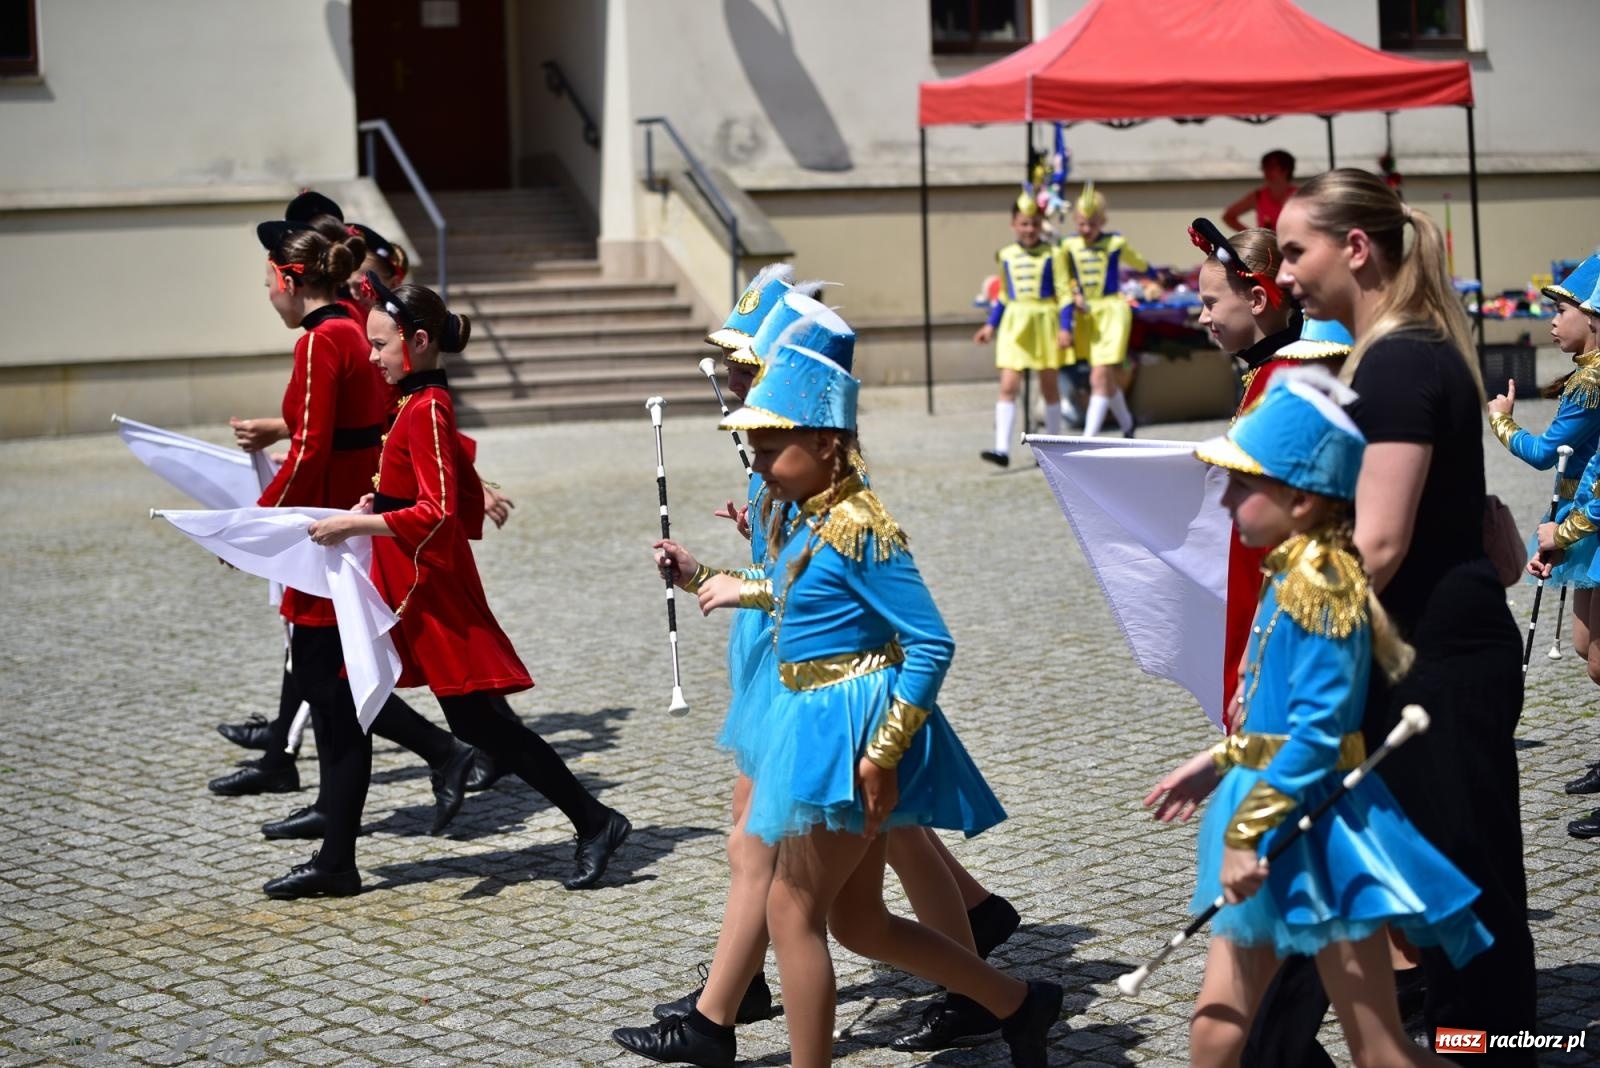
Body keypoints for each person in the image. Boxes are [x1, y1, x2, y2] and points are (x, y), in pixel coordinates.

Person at [616, 288, 1021, 1067]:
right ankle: (1005, 996)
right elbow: (799, 590)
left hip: (846, 716)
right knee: (856, 918)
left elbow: (930, 641)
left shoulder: (856, 520)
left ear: (821, 440)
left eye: (771, 447)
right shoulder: (804, 503)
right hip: (814, 702)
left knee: (794, 898)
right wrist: (711, 572)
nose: (759, 462)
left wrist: (883, 748)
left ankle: (726, 1017)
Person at [1255, 167, 1535, 1062]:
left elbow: (1377, 547)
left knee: (1468, 901)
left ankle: (1500, 1048)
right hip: (1423, 653)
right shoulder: (1392, 355)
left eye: (1295, 251)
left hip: (1439, 664)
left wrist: (1288, 640)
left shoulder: (1402, 361)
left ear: (1357, 249)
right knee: (1420, 886)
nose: (1285, 273)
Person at [1149, 369, 1491, 1068]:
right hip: (1266, 804)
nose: (1226, 502)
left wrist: (1248, 832)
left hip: (1315, 828)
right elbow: (1275, 716)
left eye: (1243, 486)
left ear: (1300, 499)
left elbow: (1319, 734)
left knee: (1378, 1051)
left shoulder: (1325, 586)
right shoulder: (1288, 570)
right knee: (1215, 1031)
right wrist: (1217, 764)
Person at [289, 276, 631, 899]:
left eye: (380, 345)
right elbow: (429, 494)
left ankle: (596, 820)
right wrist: (378, 499)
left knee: (480, 725)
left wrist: (354, 522)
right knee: (415, 712)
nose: (371, 357)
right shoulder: (412, 404)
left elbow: (440, 513)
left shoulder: (427, 408)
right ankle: (337, 855)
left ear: (417, 342)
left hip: (431, 593)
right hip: (409, 585)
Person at [216, 221, 475, 856]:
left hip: (330, 517)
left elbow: (310, 446)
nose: (267, 294)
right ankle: (336, 814)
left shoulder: (320, 339)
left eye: (267, 281)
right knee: (325, 669)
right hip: (354, 506)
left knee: (326, 671)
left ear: (287, 279)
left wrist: (255, 524)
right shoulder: (352, 327)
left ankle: (426, 765)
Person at [1188, 218, 1353, 723]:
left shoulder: (1285, 378)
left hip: (1278, 581)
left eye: (1211, 303)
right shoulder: (1269, 371)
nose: (1201, 318)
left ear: (1257, 301)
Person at [1532, 267, 1600, 839]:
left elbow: (1548, 452)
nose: (1552, 320)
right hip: (1585, 525)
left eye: (1562, 309)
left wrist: (1499, 421)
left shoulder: (1594, 381)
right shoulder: (1590, 375)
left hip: (1591, 524)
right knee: (1586, 645)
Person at [975, 191, 1072, 467]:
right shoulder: (1005, 255)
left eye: (1034, 223)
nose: (1029, 229)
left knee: (1049, 386)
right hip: (1015, 324)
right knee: (1008, 385)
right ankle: (1001, 449)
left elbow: (1064, 293)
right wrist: (990, 326)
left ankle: (1053, 449)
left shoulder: (1054, 254)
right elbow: (1005, 295)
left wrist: (1065, 328)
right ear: (1013, 225)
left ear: (1041, 224)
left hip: (1044, 322)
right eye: (1023, 223)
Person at [1060, 183, 1150, 438]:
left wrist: (1155, 277)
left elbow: (1140, 262)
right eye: (1081, 223)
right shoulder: (1068, 247)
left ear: (1103, 221)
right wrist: (1074, 292)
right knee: (1105, 379)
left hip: (1112, 313)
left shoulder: (1114, 243)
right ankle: (1127, 424)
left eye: (1092, 223)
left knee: (1099, 375)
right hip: (1086, 315)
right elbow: (1062, 277)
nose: (1086, 229)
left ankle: (1087, 437)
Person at [1222, 149, 1298, 233]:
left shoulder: (1302, 196)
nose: (1266, 171)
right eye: (1264, 167)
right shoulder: (1259, 195)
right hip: (1268, 245)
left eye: (1271, 167)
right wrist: (1254, 236)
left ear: (1286, 169)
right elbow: (1228, 216)